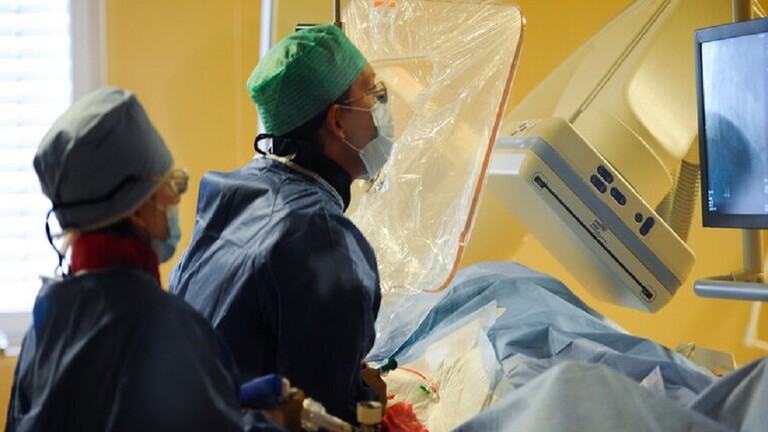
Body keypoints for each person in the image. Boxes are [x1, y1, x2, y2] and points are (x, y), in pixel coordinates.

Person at [5, 87, 287, 432]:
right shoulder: (164, 329)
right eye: (170, 183)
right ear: (137, 210)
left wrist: (217, 395)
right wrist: (268, 423)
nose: (175, 198)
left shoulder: (46, 320)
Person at [169, 23, 392, 423]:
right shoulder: (325, 241)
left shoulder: (232, 191)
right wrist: (368, 399)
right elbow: (326, 417)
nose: (382, 104)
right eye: (372, 92)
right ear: (338, 122)